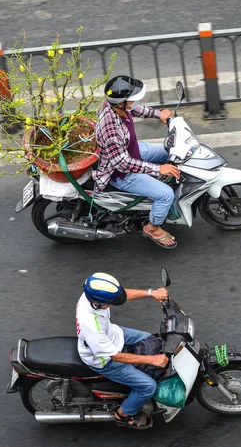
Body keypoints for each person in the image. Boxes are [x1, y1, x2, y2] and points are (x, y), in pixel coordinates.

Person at [93, 75, 182, 249]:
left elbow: (136, 109)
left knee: (170, 150)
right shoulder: (110, 128)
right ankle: (153, 228)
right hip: (122, 173)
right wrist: (159, 169)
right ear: (121, 103)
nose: (134, 103)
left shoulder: (117, 106)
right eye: (131, 100)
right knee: (166, 195)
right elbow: (123, 164)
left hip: (133, 150)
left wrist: (160, 115)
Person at [76, 272, 169, 430]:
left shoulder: (91, 294)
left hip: (114, 334)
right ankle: (124, 414)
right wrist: (152, 360)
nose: (114, 303)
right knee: (148, 387)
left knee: (153, 340)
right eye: (111, 302)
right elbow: (116, 356)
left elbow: (122, 294)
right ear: (98, 303)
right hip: (106, 360)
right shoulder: (92, 328)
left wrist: (152, 293)